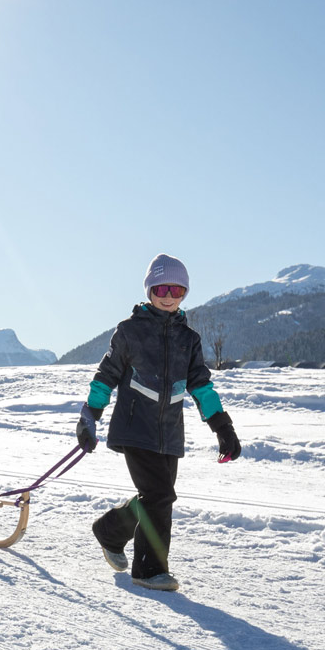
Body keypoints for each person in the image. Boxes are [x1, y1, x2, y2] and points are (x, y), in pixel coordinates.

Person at [75, 253, 242, 592]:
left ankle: (109, 530)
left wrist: (223, 427)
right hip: (135, 428)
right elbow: (105, 376)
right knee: (160, 495)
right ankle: (149, 570)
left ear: (185, 294)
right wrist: (90, 415)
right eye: (162, 288)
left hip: (169, 432)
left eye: (177, 290)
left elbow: (201, 386)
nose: (168, 296)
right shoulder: (130, 331)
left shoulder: (188, 339)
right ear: (149, 289)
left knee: (155, 496)